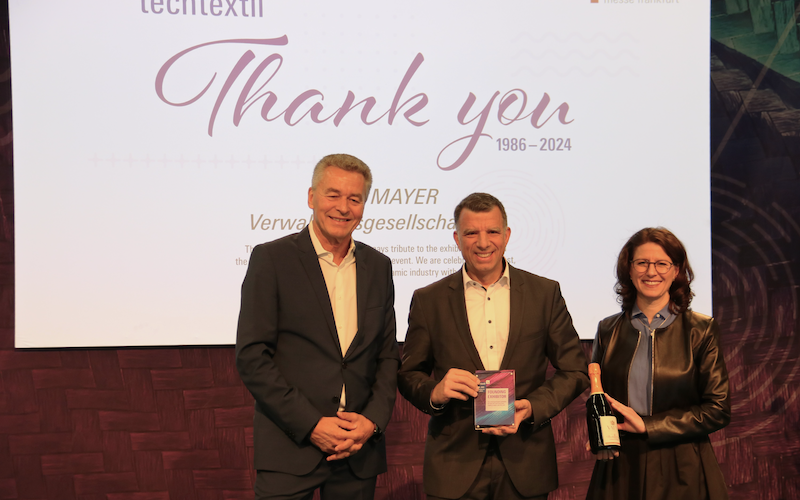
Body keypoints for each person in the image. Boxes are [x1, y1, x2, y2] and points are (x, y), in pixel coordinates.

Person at [397, 192, 589, 500]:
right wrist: (435, 391)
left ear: (507, 235)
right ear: (457, 238)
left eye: (492, 231)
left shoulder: (544, 293)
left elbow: (575, 370)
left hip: (526, 459)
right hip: (454, 463)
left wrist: (532, 407)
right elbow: (409, 374)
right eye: (471, 232)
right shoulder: (428, 299)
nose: (483, 242)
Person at [235, 153, 399, 500]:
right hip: (289, 446)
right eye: (333, 194)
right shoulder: (272, 259)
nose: (343, 207)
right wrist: (311, 424)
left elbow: (386, 358)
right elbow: (252, 357)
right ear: (312, 197)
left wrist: (371, 422)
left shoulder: (379, 266)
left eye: (354, 198)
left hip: (357, 452)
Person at [586, 227, 730, 500]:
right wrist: (599, 435)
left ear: (676, 271)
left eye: (662, 263)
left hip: (683, 466)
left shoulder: (701, 329)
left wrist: (648, 426)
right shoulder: (608, 329)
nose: (651, 272)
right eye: (642, 263)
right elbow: (599, 399)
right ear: (628, 270)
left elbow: (718, 409)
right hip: (620, 465)